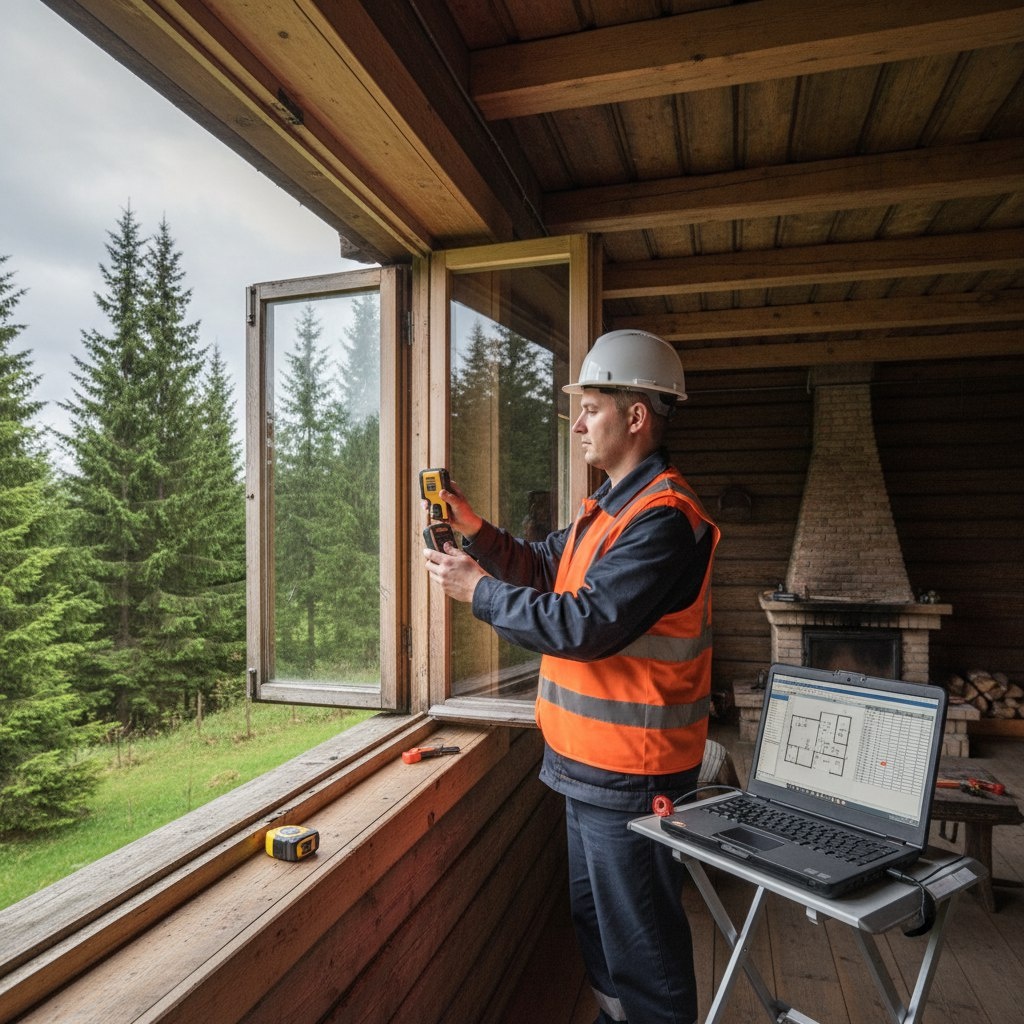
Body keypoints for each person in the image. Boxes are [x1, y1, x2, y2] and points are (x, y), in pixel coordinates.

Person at [423, 329, 719, 1024]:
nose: (579, 424)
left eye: (591, 408)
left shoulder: (665, 520)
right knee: (599, 932)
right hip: (585, 769)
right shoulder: (608, 508)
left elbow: (584, 624)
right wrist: (476, 533)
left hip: (635, 777)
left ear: (636, 416)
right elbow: (542, 566)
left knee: (643, 950)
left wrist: (479, 593)